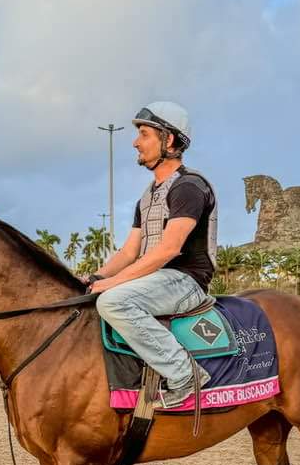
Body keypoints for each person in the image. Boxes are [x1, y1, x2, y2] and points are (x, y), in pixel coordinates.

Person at [89, 102, 217, 407]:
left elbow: (169, 249)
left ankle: (186, 375)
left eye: (144, 134)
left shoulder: (188, 187)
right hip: (157, 280)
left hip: (185, 280)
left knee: (113, 301)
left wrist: (110, 285)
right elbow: (130, 250)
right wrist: (94, 277)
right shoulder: (146, 197)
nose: (135, 142)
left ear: (168, 140)